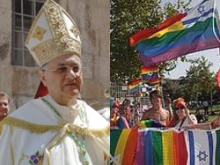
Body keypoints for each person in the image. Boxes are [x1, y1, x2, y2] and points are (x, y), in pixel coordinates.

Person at [0, 0, 109, 164]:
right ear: (43, 77)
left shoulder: (99, 125)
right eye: (61, 69)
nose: (71, 75)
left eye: (75, 68)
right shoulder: (17, 127)